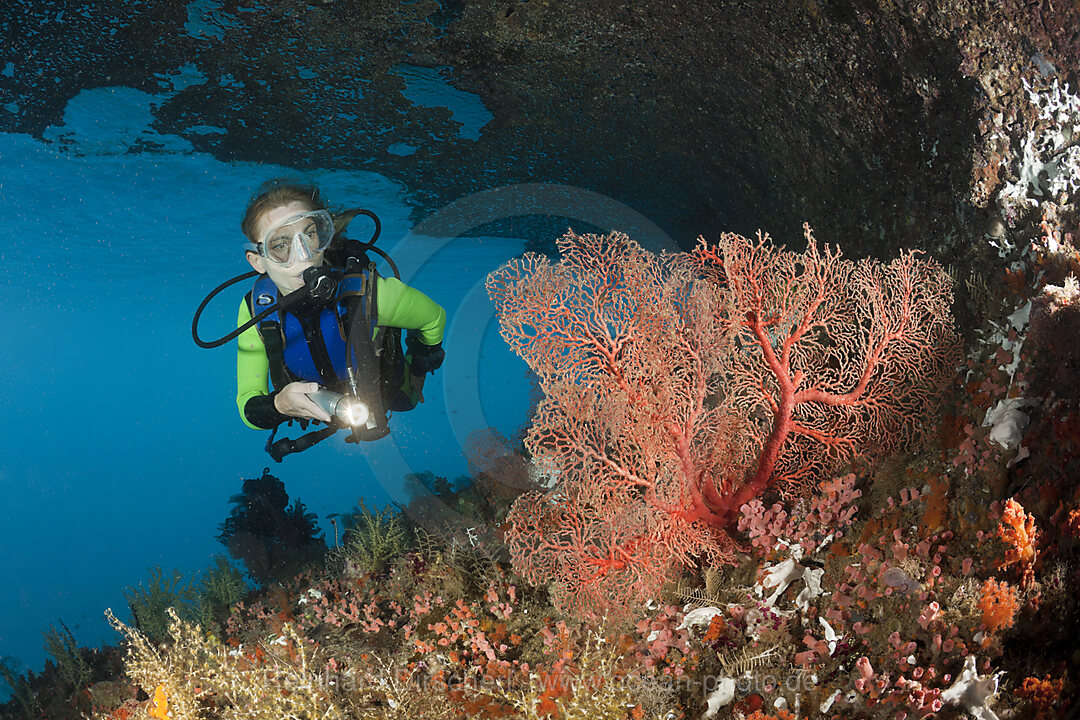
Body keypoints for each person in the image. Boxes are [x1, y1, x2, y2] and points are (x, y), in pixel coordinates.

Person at [235, 179, 445, 442]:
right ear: (258, 261)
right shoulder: (257, 311)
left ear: (324, 235)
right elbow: (248, 403)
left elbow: (434, 317)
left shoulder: (372, 294)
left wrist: (421, 363)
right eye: (280, 245)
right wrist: (278, 406)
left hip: (384, 388)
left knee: (406, 401)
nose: (303, 255)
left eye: (310, 234)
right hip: (321, 407)